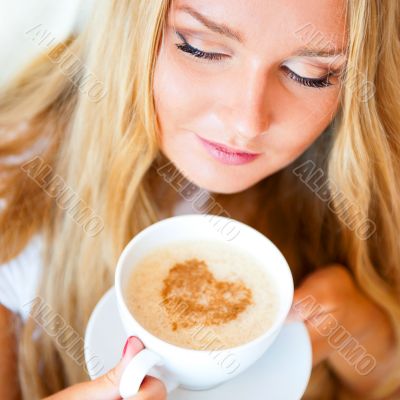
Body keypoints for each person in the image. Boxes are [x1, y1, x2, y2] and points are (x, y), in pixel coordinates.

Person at [0, 0, 399, 399]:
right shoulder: (15, 198)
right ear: (133, 26)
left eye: (309, 75)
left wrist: (363, 329)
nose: (246, 124)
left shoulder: (346, 187)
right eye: (200, 48)